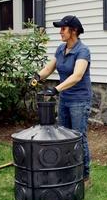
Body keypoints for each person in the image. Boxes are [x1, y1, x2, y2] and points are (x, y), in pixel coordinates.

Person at [30, 15, 92, 187]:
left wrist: (56, 89)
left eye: (63, 29)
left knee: (79, 137)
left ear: (74, 31)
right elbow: (50, 68)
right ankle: (67, 172)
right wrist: (37, 76)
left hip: (79, 100)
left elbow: (77, 76)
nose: (60, 32)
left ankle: (85, 177)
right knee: (63, 137)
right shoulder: (61, 49)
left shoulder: (82, 51)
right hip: (65, 99)